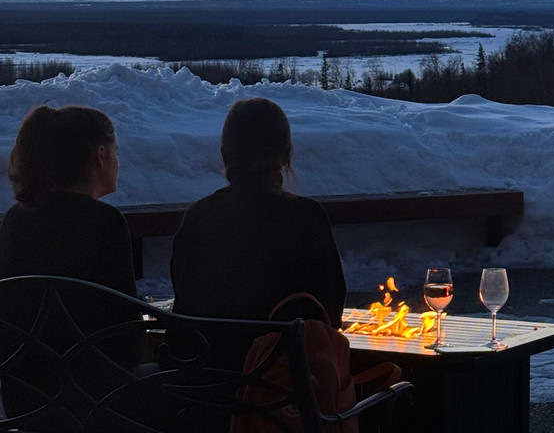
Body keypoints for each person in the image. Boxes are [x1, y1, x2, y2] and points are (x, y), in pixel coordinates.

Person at [170, 97, 347, 369]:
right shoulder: (306, 218)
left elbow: (185, 311)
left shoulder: (199, 217)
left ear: (224, 154)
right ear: (287, 155)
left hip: (201, 392)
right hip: (285, 397)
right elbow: (330, 316)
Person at [0, 104, 143, 418]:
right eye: (116, 152)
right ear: (100, 156)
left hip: (25, 400)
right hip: (95, 401)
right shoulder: (105, 222)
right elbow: (127, 340)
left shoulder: (14, 220)